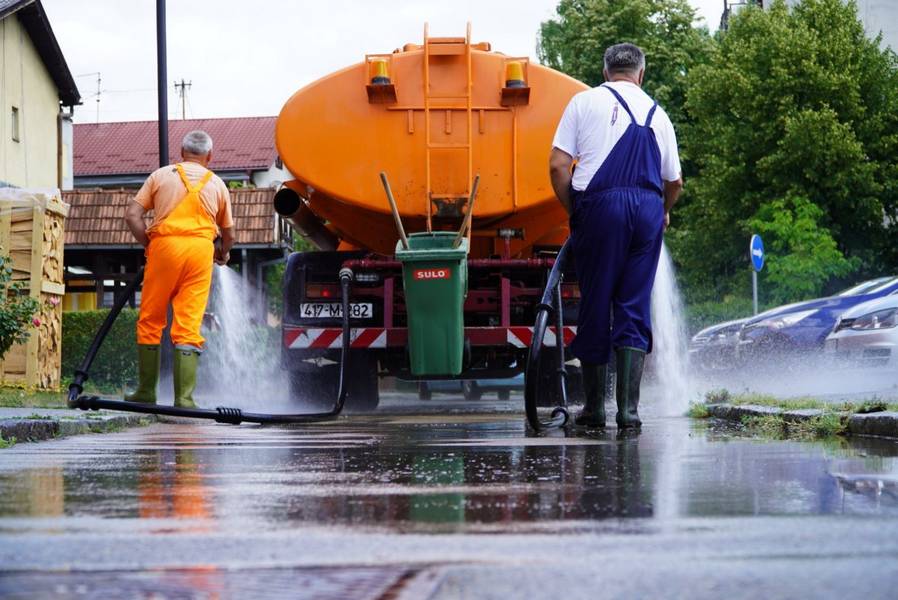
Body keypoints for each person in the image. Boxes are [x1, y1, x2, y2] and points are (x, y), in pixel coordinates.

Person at [549, 43, 683, 429]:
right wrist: (662, 211)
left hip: (599, 209)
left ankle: (594, 409)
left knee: (596, 301)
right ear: (641, 74)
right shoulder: (659, 114)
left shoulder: (583, 102)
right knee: (634, 306)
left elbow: (559, 166)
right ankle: (629, 412)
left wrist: (575, 210)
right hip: (646, 211)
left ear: (606, 71)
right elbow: (674, 181)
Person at [124, 130, 235, 408]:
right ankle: (184, 399)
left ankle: (146, 393)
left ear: (182, 152)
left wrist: (149, 243)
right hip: (200, 251)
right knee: (188, 323)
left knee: (151, 319)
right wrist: (223, 253)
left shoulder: (161, 176)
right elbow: (229, 232)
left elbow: (132, 215)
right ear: (210, 156)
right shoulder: (218, 184)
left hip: (165, 248)